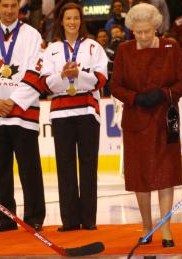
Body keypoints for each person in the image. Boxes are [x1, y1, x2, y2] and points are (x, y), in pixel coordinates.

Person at [110, 3, 182, 248]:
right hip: (137, 120)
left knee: (166, 175)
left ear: (156, 27)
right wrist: (135, 98)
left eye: (147, 31)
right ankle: (146, 226)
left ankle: (165, 227)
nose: (142, 37)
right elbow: (115, 86)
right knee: (140, 176)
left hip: (166, 118)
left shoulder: (171, 47)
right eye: (137, 32)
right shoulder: (124, 50)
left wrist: (165, 93)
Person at [0, 0, 46, 233]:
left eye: (13, 5)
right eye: (4, 5)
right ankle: (5, 219)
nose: (9, 10)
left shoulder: (32, 34)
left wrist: (13, 101)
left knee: (29, 167)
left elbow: (37, 71)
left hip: (22, 112)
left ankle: (34, 218)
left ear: (19, 7)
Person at [39, 2, 108, 232]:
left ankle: (88, 220)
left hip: (87, 111)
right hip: (60, 113)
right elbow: (44, 82)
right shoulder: (52, 49)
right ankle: (69, 221)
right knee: (65, 166)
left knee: (88, 166)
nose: (72, 22)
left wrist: (79, 74)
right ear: (61, 21)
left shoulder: (93, 47)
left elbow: (100, 79)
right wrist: (62, 76)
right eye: (68, 18)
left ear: (81, 21)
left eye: (76, 18)